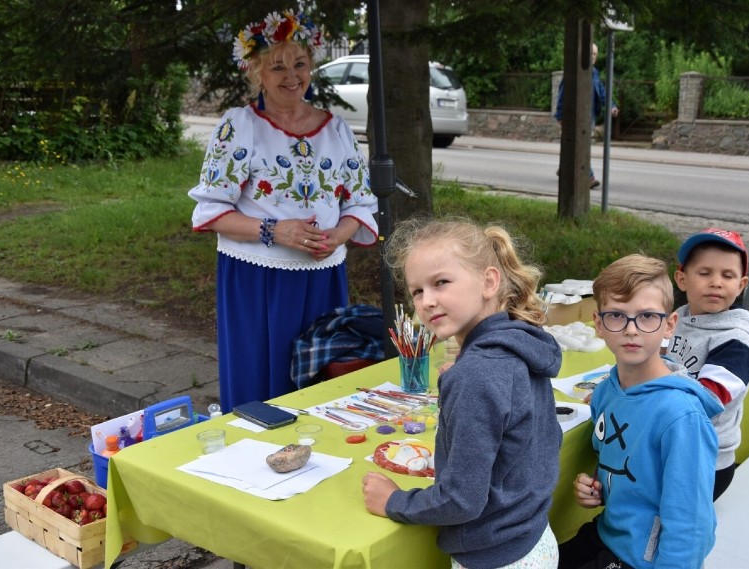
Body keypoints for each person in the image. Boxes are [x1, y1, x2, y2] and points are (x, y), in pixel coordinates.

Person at [188, 8, 379, 412]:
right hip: (257, 280)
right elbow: (211, 211)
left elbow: (360, 203)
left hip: (324, 278)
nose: (292, 75)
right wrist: (276, 231)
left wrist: (337, 236)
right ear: (256, 72)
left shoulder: (336, 128)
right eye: (277, 67)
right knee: (262, 385)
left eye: (300, 63)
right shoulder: (239, 126)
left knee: (321, 385)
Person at [362, 217, 564, 569]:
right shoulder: (521, 342)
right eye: (417, 291)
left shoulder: (476, 374)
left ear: (488, 282)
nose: (426, 301)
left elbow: (461, 499)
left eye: (441, 283)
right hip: (533, 539)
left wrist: (395, 500)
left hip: (495, 557)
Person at [559, 254, 722, 569]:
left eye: (647, 316)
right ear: (599, 325)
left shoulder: (681, 416)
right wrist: (595, 485)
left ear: (669, 325)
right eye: (617, 316)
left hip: (643, 559)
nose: (631, 329)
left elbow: (691, 523)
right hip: (609, 533)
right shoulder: (606, 391)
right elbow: (618, 458)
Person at [666, 228, 749, 499]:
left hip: (705, 464)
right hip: (671, 447)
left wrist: (648, 385)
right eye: (705, 273)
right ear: (682, 279)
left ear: (741, 284)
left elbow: (709, 399)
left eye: (727, 275)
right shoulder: (680, 317)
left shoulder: (737, 340)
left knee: (661, 525)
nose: (716, 282)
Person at [554, 43, 619, 189]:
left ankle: (564, 168)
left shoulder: (594, 72)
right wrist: (560, 115)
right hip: (574, 116)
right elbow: (562, 94)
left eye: (595, 54)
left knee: (576, 145)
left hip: (589, 116)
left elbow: (602, 92)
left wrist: (612, 106)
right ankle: (589, 178)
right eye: (590, 53)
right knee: (581, 146)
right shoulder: (573, 71)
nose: (592, 57)